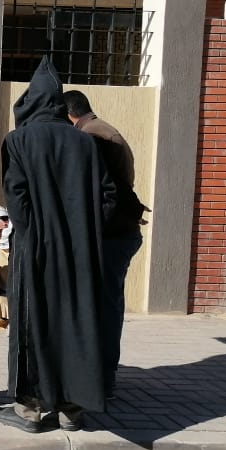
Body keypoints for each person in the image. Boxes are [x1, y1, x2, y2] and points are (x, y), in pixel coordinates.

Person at [0, 59, 115, 433]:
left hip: (35, 249)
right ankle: (71, 409)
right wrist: (85, 230)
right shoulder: (85, 142)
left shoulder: (18, 141)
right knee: (74, 321)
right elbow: (108, 196)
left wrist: (33, 234)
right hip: (80, 251)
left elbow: (16, 197)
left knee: (32, 324)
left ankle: (30, 408)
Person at [63, 89, 148, 398]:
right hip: (120, 232)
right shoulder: (103, 129)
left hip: (111, 235)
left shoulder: (91, 136)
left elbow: (106, 192)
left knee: (104, 307)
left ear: (67, 114)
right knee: (108, 304)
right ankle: (102, 374)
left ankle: (102, 378)